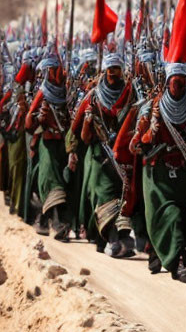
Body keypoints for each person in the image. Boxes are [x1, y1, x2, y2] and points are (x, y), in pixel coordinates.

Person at [130, 63, 186, 282]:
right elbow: (135, 145)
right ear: (167, 82)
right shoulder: (150, 107)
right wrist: (151, 132)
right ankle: (178, 263)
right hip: (158, 175)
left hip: (184, 173)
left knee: (184, 217)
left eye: (182, 83)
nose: (179, 87)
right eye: (174, 82)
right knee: (168, 216)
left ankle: (177, 256)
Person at [70, 52, 135, 258]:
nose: (113, 73)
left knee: (124, 195)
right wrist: (88, 122)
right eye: (109, 69)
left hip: (124, 156)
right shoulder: (93, 97)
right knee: (105, 194)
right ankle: (112, 238)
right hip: (100, 155)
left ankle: (123, 237)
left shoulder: (131, 95)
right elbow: (78, 132)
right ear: (104, 71)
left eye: (116, 69)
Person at [24, 54, 73, 241]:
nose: (57, 73)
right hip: (47, 143)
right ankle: (58, 224)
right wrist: (40, 117)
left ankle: (43, 220)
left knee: (64, 182)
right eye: (53, 70)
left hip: (63, 144)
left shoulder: (66, 90)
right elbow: (29, 122)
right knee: (52, 182)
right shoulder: (43, 92)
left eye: (57, 70)